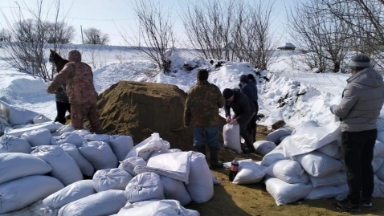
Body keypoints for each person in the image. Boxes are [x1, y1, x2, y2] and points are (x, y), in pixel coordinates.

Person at [331, 54, 384, 212]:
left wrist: (332, 108)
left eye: (351, 68)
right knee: (366, 165)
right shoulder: (379, 83)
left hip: (353, 132)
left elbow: (341, 111)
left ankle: (353, 203)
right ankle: (366, 198)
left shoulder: (355, 85)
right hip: (370, 129)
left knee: (353, 168)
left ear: (355, 68)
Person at [47, 50, 102, 134]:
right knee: (95, 122)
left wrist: (52, 87)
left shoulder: (70, 66)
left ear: (70, 57)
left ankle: (80, 142)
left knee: (77, 125)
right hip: (92, 98)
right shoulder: (87, 66)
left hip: (78, 99)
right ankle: (101, 138)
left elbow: (61, 76)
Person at [184, 69, 226, 169]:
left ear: (197, 77)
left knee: (199, 143)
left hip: (197, 122)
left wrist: (186, 122)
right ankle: (214, 163)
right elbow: (221, 103)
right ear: (207, 77)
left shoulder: (192, 90)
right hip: (211, 121)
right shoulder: (214, 89)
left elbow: (187, 107)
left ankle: (202, 165)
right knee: (213, 142)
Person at [223, 88, 256, 153]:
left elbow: (247, 111)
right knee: (232, 126)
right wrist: (228, 115)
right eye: (227, 99)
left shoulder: (242, 98)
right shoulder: (227, 97)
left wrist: (237, 119)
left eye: (230, 98)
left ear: (233, 95)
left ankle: (250, 146)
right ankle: (237, 143)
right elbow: (226, 106)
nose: (229, 100)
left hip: (249, 112)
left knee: (240, 128)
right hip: (239, 111)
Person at [239, 74, 259, 142]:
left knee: (248, 123)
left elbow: (243, 98)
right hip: (255, 104)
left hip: (249, 105)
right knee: (253, 122)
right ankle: (253, 139)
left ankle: (249, 140)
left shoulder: (244, 87)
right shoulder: (253, 85)